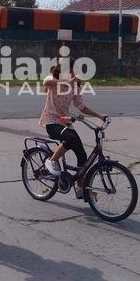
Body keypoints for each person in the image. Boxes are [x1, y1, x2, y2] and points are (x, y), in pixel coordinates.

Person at [41, 58, 107, 198]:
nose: (70, 73)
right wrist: (66, 82)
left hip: (65, 122)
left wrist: (99, 116)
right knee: (70, 138)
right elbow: (45, 82)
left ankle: (80, 186)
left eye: (71, 70)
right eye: (66, 71)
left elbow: (81, 107)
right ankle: (52, 160)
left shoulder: (75, 86)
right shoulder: (53, 80)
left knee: (82, 155)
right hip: (51, 122)